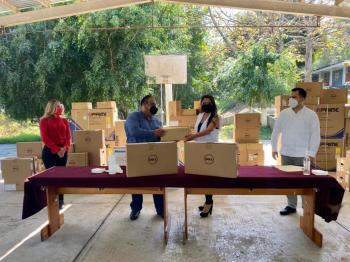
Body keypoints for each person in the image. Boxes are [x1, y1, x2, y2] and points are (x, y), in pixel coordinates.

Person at [271, 87, 320, 216]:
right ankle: (291, 205)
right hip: (286, 153)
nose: (291, 99)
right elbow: (276, 131)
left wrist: (311, 153)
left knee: (304, 182)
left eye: (294, 97)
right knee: (288, 182)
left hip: (303, 155)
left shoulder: (311, 115)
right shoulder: (284, 113)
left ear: (302, 99)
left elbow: (315, 135)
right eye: (290, 97)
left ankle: (306, 207)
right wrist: (274, 148)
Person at [124, 95, 166, 220]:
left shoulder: (157, 121)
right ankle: (136, 209)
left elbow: (160, 138)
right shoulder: (134, 117)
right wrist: (153, 133)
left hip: (153, 156)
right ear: (144, 105)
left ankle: (160, 209)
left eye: (155, 104)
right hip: (136, 156)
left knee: (157, 182)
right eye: (152, 104)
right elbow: (134, 131)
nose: (155, 106)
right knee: (136, 183)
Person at [185, 95, 221, 218]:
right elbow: (197, 131)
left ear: (213, 104)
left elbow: (208, 131)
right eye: (204, 102)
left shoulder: (216, 117)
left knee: (208, 177)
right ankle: (207, 201)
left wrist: (192, 137)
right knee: (203, 177)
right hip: (199, 149)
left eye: (208, 102)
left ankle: (209, 203)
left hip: (211, 149)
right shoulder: (200, 116)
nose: (206, 104)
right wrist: (187, 134)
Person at [40, 99, 71, 209]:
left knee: (61, 176)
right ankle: (52, 200)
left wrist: (65, 148)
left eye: (61, 106)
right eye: (58, 106)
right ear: (51, 107)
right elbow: (45, 138)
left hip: (63, 151)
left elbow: (68, 137)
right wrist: (57, 149)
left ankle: (61, 200)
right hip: (49, 152)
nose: (61, 108)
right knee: (52, 177)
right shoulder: (44, 121)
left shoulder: (64, 120)